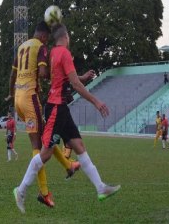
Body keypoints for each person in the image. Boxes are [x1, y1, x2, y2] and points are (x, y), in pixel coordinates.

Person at [13, 23, 121, 213]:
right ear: (67, 36)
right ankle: (21, 191)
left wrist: (81, 78)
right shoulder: (64, 53)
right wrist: (96, 102)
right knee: (45, 153)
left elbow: (64, 78)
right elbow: (75, 85)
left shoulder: (53, 53)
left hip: (60, 107)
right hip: (56, 109)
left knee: (79, 146)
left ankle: (100, 187)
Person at [5, 21, 80, 208]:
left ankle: (68, 165)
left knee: (46, 135)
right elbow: (44, 73)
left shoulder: (22, 47)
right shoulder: (40, 47)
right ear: (45, 36)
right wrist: (60, 79)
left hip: (18, 100)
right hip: (30, 98)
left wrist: (11, 94)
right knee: (38, 145)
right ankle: (44, 192)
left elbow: (12, 76)